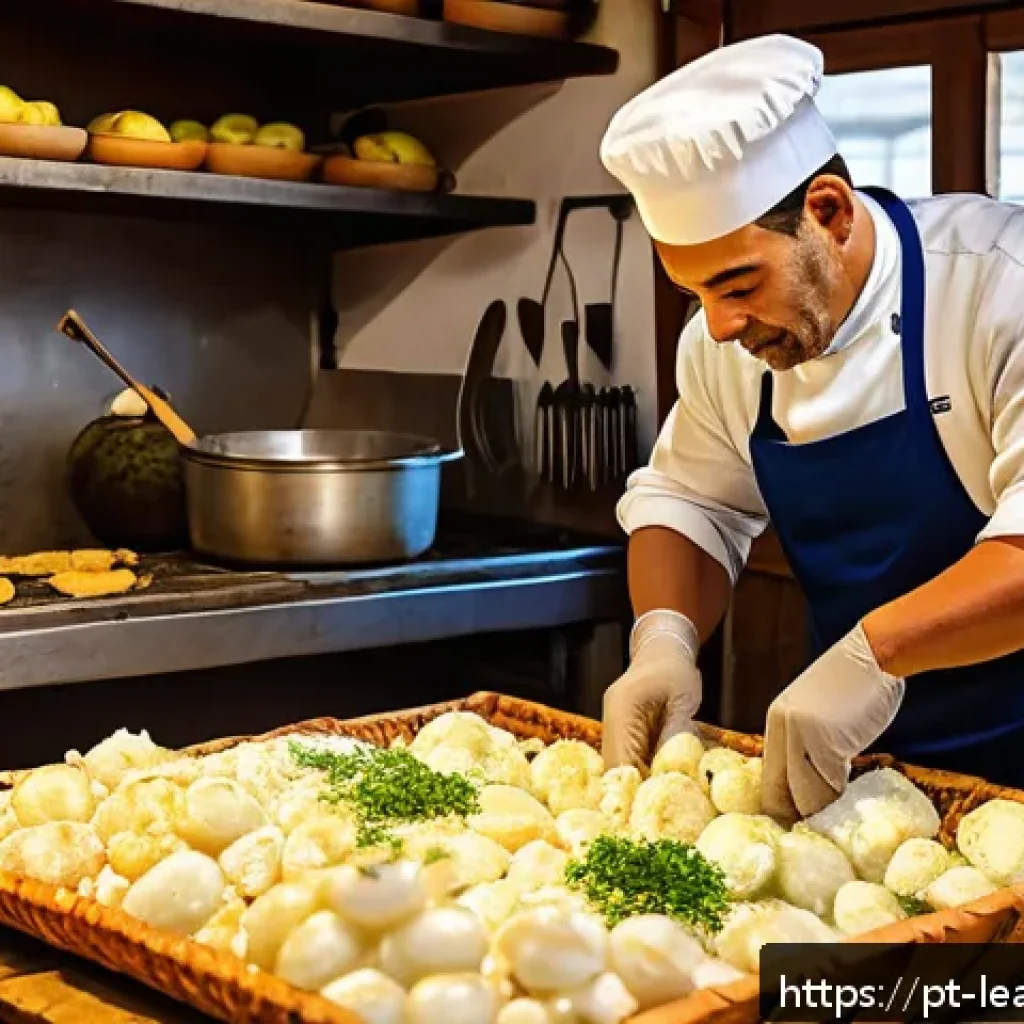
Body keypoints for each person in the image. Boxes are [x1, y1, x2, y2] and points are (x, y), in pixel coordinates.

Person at [596, 33, 1024, 820]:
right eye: (694, 296)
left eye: (736, 284)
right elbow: (692, 500)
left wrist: (876, 654)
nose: (719, 327)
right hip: (866, 775)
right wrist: (663, 640)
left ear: (827, 211)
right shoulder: (729, 343)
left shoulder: (1000, 286)